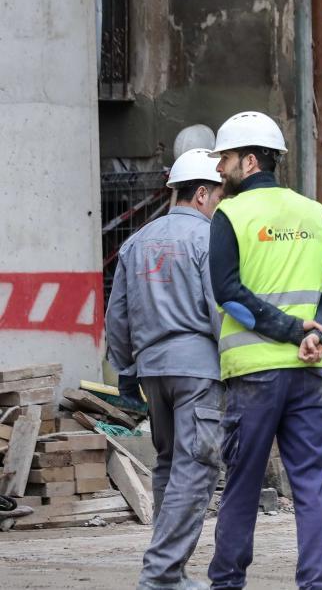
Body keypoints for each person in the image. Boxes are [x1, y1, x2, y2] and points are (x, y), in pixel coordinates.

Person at [205, 111, 322, 590]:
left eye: (225, 158)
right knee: (310, 486)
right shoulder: (316, 212)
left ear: (249, 161)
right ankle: (317, 584)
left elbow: (227, 292)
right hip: (310, 374)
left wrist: (291, 331)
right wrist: (319, 334)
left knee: (244, 484)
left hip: (254, 376)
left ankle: (227, 582)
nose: (219, 168)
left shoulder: (229, 215)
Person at [105, 148, 226, 590]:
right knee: (196, 468)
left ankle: (170, 571)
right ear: (199, 193)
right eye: (216, 194)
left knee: (170, 463)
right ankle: (161, 574)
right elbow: (218, 309)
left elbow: (116, 315)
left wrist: (125, 368)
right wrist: (234, 364)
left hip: (152, 369)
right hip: (198, 370)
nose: (218, 203)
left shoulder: (136, 242)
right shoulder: (207, 239)